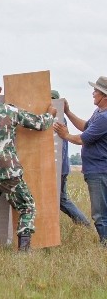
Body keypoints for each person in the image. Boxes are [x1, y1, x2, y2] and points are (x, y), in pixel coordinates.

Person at [0, 72, 56, 251]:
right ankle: (23, 249)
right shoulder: (11, 111)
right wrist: (50, 114)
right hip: (9, 172)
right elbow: (39, 124)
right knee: (27, 206)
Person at [53, 76, 107, 247]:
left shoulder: (105, 118)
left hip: (99, 170)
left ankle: (104, 245)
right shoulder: (98, 113)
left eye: (96, 91)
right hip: (95, 169)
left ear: (104, 96)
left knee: (99, 214)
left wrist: (65, 135)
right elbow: (85, 126)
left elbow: (83, 138)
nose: (93, 93)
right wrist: (68, 111)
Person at [51, 90, 91, 226]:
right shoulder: (59, 118)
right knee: (61, 200)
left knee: (62, 200)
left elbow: (59, 149)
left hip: (59, 169)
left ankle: (84, 224)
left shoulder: (58, 119)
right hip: (61, 168)